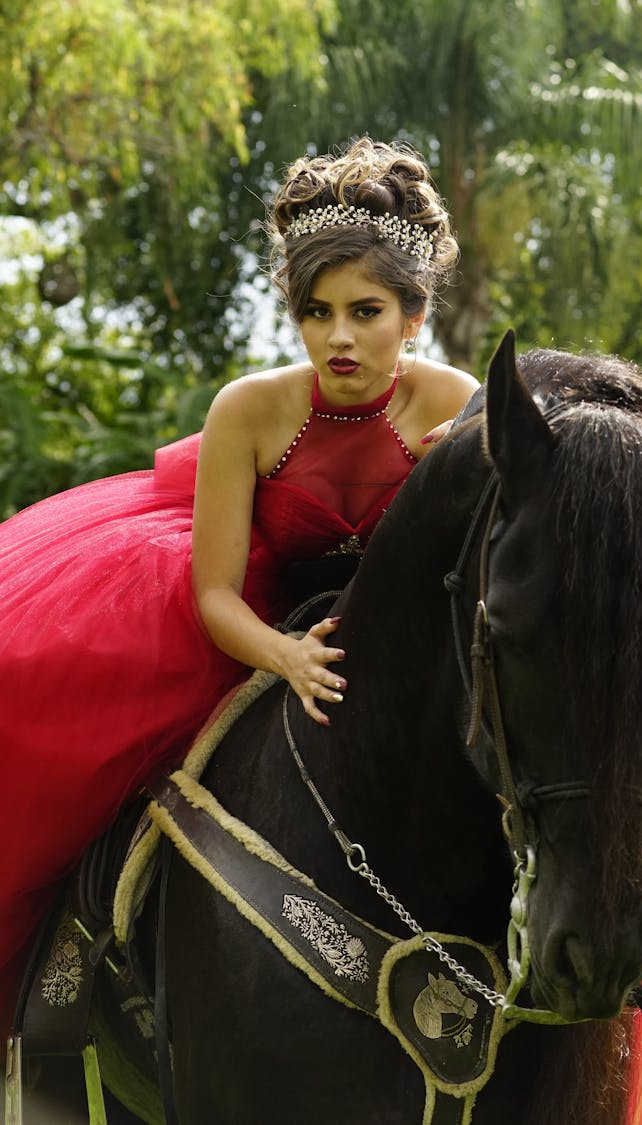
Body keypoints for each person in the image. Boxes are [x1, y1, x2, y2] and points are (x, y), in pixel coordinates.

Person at [0, 137, 479, 1039]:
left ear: (412, 317)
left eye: (366, 311)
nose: (338, 336)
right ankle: (78, 972)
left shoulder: (458, 405)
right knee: (35, 687)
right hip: (251, 616)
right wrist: (285, 656)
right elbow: (214, 593)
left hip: (395, 638)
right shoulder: (251, 409)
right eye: (316, 310)